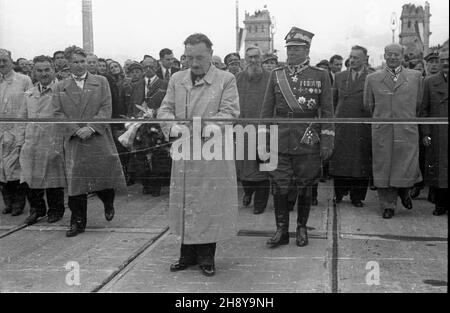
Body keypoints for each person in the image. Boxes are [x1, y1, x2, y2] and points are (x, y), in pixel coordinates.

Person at [157, 33, 239, 277]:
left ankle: (206, 256)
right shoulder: (177, 78)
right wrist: (172, 126)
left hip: (211, 151)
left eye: (200, 57)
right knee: (185, 201)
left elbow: (230, 111)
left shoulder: (226, 79)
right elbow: (165, 109)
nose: (194, 63)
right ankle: (186, 254)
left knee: (208, 202)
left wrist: (210, 128)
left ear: (211, 55)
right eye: (189, 57)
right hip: (184, 151)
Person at [260, 27, 334, 248]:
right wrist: (264, 140)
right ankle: (281, 230)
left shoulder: (320, 75)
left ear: (307, 49)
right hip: (280, 137)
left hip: (307, 137)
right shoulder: (276, 75)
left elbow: (328, 111)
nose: (291, 53)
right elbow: (266, 110)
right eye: (289, 48)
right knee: (279, 184)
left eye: (296, 49)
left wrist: (328, 140)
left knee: (304, 185)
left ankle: (302, 228)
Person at [52, 46, 126, 237]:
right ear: (68, 65)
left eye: (82, 61)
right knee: (76, 183)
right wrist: (75, 130)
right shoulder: (60, 86)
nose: (79, 65)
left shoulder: (101, 81)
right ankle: (77, 221)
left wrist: (91, 127)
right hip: (75, 140)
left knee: (103, 174)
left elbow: (106, 108)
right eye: (75, 62)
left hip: (97, 137)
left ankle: (108, 200)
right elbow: (57, 113)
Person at [364, 43, 422, 219]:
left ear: (403, 56)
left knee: (405, 166)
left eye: (396, 54)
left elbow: (418, 104)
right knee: (384, 167)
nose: (393, 57)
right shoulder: (373, 78)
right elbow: (368, 105)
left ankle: (403, 190)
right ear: (384, 55)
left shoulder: (416, 77)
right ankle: (387, 205)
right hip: (383, 130)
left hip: (406, 129)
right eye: (389, 54)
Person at [20, 55, 66, 225]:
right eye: (39, 70)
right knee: (31, 176)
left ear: (53, 70)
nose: (43, 73)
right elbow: (23, 117)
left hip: (53, 139)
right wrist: (21, 141)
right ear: (34, 72)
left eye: (47, 69)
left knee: (54, 177)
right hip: (32, 141)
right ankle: (36, 210)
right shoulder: (29, 93)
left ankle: (56, 210)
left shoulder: (62, 91)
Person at [329, 46, 372, 207]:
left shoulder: (372, 77)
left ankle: (357, 196)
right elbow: (333, 102)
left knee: (361, 162)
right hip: (343, 126)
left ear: (365, 59)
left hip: (362, 126)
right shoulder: (340, 77)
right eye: (351, 57)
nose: (352, 60)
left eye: (357, 58)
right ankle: (339, 193)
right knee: (341, 160)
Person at [126, 59, 170, 196]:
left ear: (156, 66)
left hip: (158, 124)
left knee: (158, 154)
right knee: (140, 153)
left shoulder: (164, 84)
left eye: (151, 66)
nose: (149, 69)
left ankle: (156, 185)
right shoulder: (135, 85)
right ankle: (146, 183)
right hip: (139, 124)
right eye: (145, 67)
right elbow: (131, 105)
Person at [236, 46, 271, 214]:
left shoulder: (270, 78)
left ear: (261, 58)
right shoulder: (239, 78)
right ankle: (248, 192)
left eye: (256, 57)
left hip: (265, 130)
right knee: (245, 168)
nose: (253, 60)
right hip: (243, 129)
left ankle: (260, 204)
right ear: (245, 59)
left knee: (264, 168)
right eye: (249, 57)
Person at [0, 48, 33, 217]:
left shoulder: (24, 80)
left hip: (17, 129)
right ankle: (8, 202)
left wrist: (25, 129)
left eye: (4, 60)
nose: (1, 64)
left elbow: (30, 104)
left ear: (11, 61)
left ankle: (19, 203)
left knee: (16, 168)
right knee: (1, 169)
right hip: (0, 130)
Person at [419, 50, 448, 216]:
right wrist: (425, 134)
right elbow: (424, 111)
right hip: (437, 135)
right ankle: (440, 205)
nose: (445, 63)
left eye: (448, 60)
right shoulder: (429, 82)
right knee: (439, 170)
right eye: (442, 60)